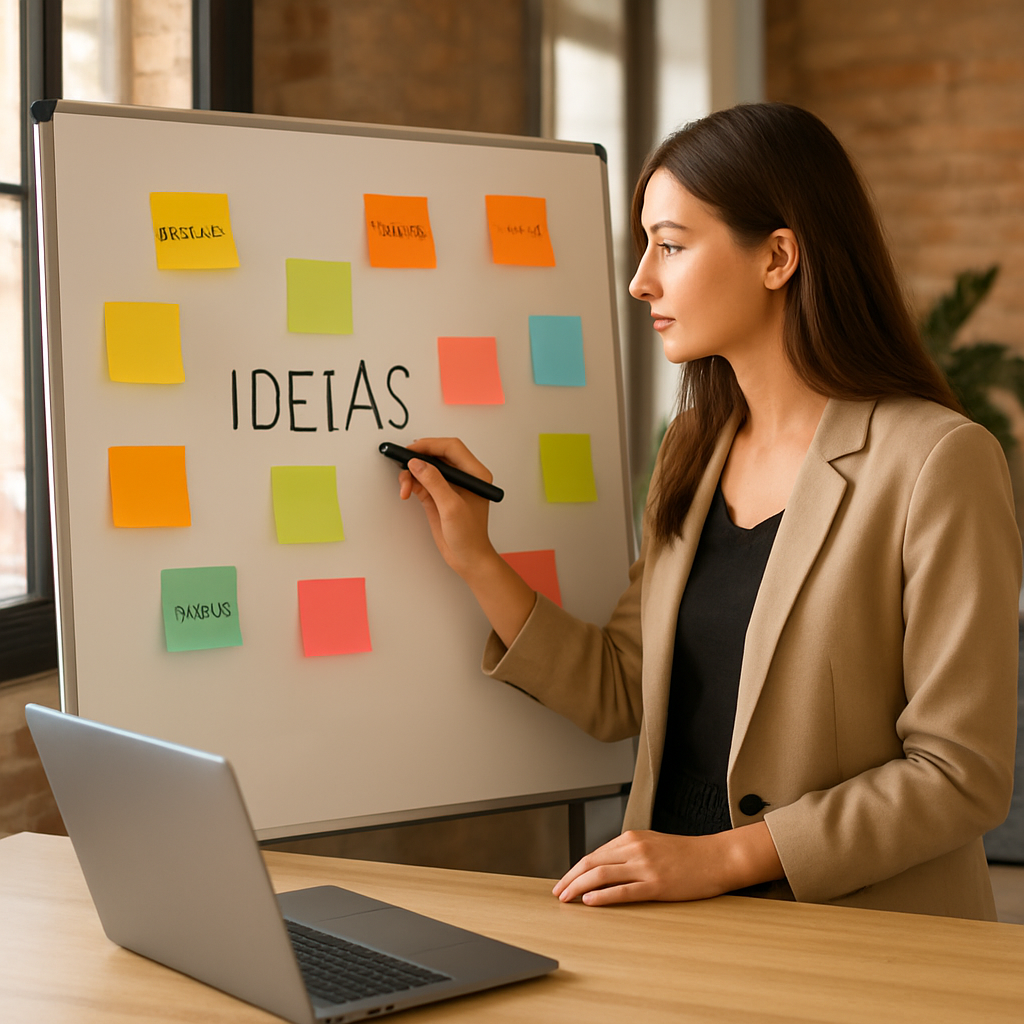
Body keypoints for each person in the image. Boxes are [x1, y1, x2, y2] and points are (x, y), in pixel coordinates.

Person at [396, 103, 1021, 920]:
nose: (640, 279)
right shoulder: (693, 447)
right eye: (645, 245)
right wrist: (476, 557)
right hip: (678, 923)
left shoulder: (937, 460)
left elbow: (960, 774)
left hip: (858, 944)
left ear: (778, 257)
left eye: (673, 245)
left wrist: (722, 858)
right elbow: (624, 688)